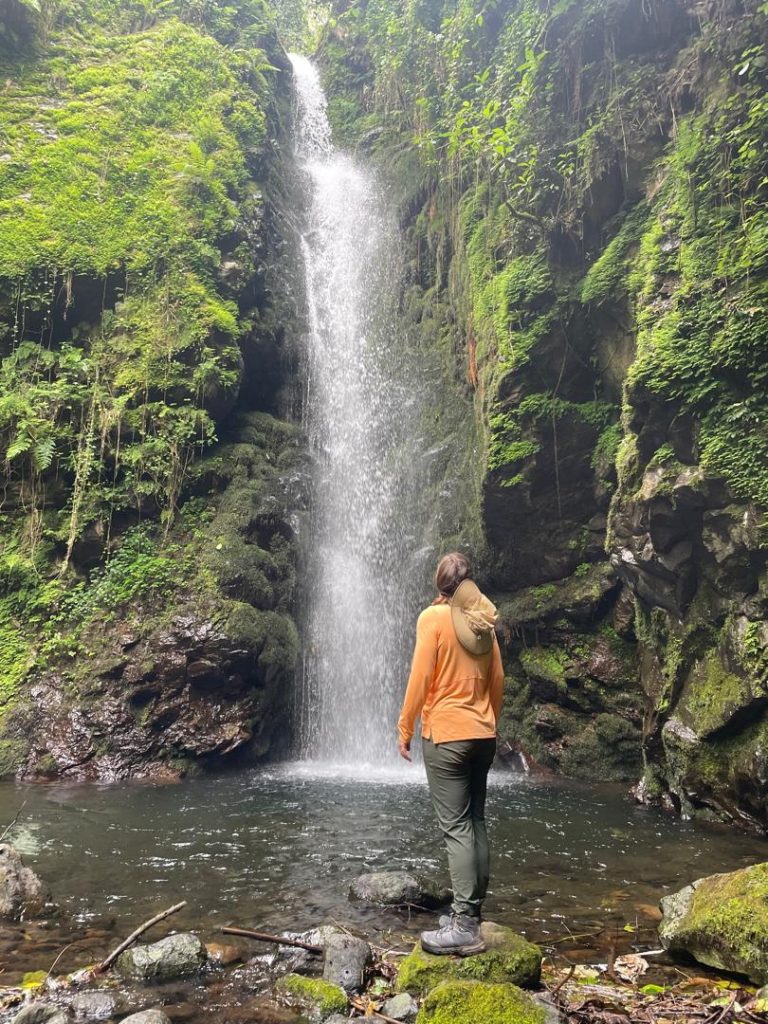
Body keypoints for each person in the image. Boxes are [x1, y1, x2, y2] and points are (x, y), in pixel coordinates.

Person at [397, 552, 504, 956]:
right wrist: (488, 720)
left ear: (438, 583)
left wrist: (405, 728)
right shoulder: (484, 622)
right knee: (476, 820)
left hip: (447, 736)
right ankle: (471, 912)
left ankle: (463, 925)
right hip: (482, 734)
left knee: (457, 827)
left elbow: (420, 676)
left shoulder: (433, 619)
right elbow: (498, 679)